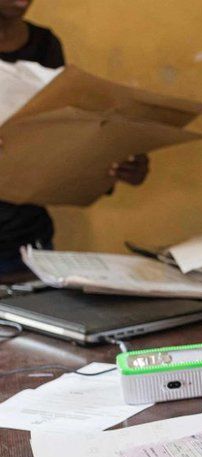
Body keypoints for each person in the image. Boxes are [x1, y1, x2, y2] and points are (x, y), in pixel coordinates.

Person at [0, 0, 149, 274]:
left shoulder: (44, 44)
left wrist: (111, 164)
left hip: (27, 241)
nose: (23, 2)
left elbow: (55, 139)